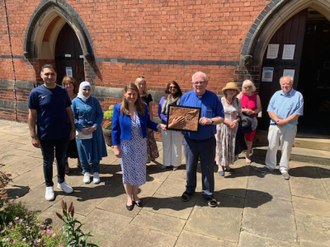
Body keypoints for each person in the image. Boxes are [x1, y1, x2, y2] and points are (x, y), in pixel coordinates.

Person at [112, 83, 166, 211]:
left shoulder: (143, 107)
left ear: (137, 95)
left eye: (134, 94)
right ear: (124, 93)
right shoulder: (118, 109)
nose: (132, 96)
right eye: (129, 94)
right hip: (125, 146)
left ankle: (136, 196)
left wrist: (159, 126)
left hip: (140, 145)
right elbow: (115, 130)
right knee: (127, 172)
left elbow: (148, 122)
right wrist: (115, 147)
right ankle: (129, 197)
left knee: (138, 171)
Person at [28, 64, 74, 201]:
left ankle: (61, 182)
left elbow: (68, 111)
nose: (50, 76)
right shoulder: (36, 93)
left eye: (52, 74)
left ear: (55, 75)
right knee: (47, 161)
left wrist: (72, 128)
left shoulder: (62, 91)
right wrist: (33, 135)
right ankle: (49, 186)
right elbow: (32, 115)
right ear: (41, 75)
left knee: (61, 159)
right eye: (47, 74)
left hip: (62, 132)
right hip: (45, 134)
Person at [178, 71, 224, 207]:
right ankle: (189, 190)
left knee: (208, 168)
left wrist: (210, 120)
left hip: (207, 141)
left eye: (201, 82)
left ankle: (208, 193)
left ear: (206, 83)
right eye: (196, 82)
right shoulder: (185, 97)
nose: (198, 85)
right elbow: (178, 116)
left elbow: (221, 118)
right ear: (192, 84)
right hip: (190, 140)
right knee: (190, 167)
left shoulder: (213, 98)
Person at [258, 76, 304, 180]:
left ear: (291, 84)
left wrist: (285, 121)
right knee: (272, 145)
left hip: (289, 126)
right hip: (275, 124)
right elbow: (270, 109)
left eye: (287, 84)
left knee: (286, 147)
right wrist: (277, 120)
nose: (285, 86)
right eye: (283, 84)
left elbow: (297, 112)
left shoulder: (298, 96)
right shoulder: (276, 94)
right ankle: (269, 165)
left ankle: (283, 168)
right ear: (280, 85)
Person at [71, 81, 107, 184]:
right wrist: (80, 128)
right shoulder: (75, 102)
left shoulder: (94, 101)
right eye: (84, 89)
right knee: (83, 151)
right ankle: (86, 171)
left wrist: (94, 126)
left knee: (95, 150)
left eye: (88, 89)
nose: (87, 92)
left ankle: (96, 171)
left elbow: (100, 115)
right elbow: (73, 117)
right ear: (80, 90)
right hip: (82, 131)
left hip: (94, 131)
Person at [215, 82, 242, 176]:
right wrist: (228, 122)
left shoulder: (237, 101)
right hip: (222, 127)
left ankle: (227, 165)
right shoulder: (220, 101)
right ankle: (219, 165)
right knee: (221, 146)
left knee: (230, 147)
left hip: (233, 128)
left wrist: (235, 121)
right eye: (229, 89)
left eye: (233, 90)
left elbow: (239, 115)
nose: (231, 91)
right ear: (225, 91)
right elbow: (217, 115)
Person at [158, 81, 184, 171]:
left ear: (177, 88)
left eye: (174, 87)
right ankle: (166, 163)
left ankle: (176, 164)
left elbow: (183, 112)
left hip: (177, 125)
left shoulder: (181, 99)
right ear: (168, 88)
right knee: (166, 144)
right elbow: (160, 112)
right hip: (165, 125)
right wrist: (168, 121)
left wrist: (176, 122)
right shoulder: (163, 98)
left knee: (176, 145)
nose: (172, 89)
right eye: (170, 87)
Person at [135, 77, 159, 163]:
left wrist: (151, 125)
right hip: (136, 123)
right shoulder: (134, 95)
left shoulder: (148, 96)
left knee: (147, 142)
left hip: (146, 122)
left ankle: (146, 160)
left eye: (143, 84)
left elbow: (150, 111)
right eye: (140, 84)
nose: (141, 86)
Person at [237, 80, 262, 164]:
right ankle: (236, 153)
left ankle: (247, 154)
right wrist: (244, 110)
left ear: (252, 87)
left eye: (249, 87)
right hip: (241, 118)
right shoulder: (240, 95)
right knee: (239, 136)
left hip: (252, 120)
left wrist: (253, 112)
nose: (247, 88)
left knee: (249, 138)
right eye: (245, 87)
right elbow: (235, 106)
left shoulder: (256, 96)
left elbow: (259, 108)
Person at [62, 76, 81, 173]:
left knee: (77, 144)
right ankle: (66, 165)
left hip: (77, 124)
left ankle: (80, 161)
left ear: (74, 85)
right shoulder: (61, 96)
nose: (68, 86)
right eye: (66, 84)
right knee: (65, 145)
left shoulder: (79, 96)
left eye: (70, 83)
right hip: (65, 124)